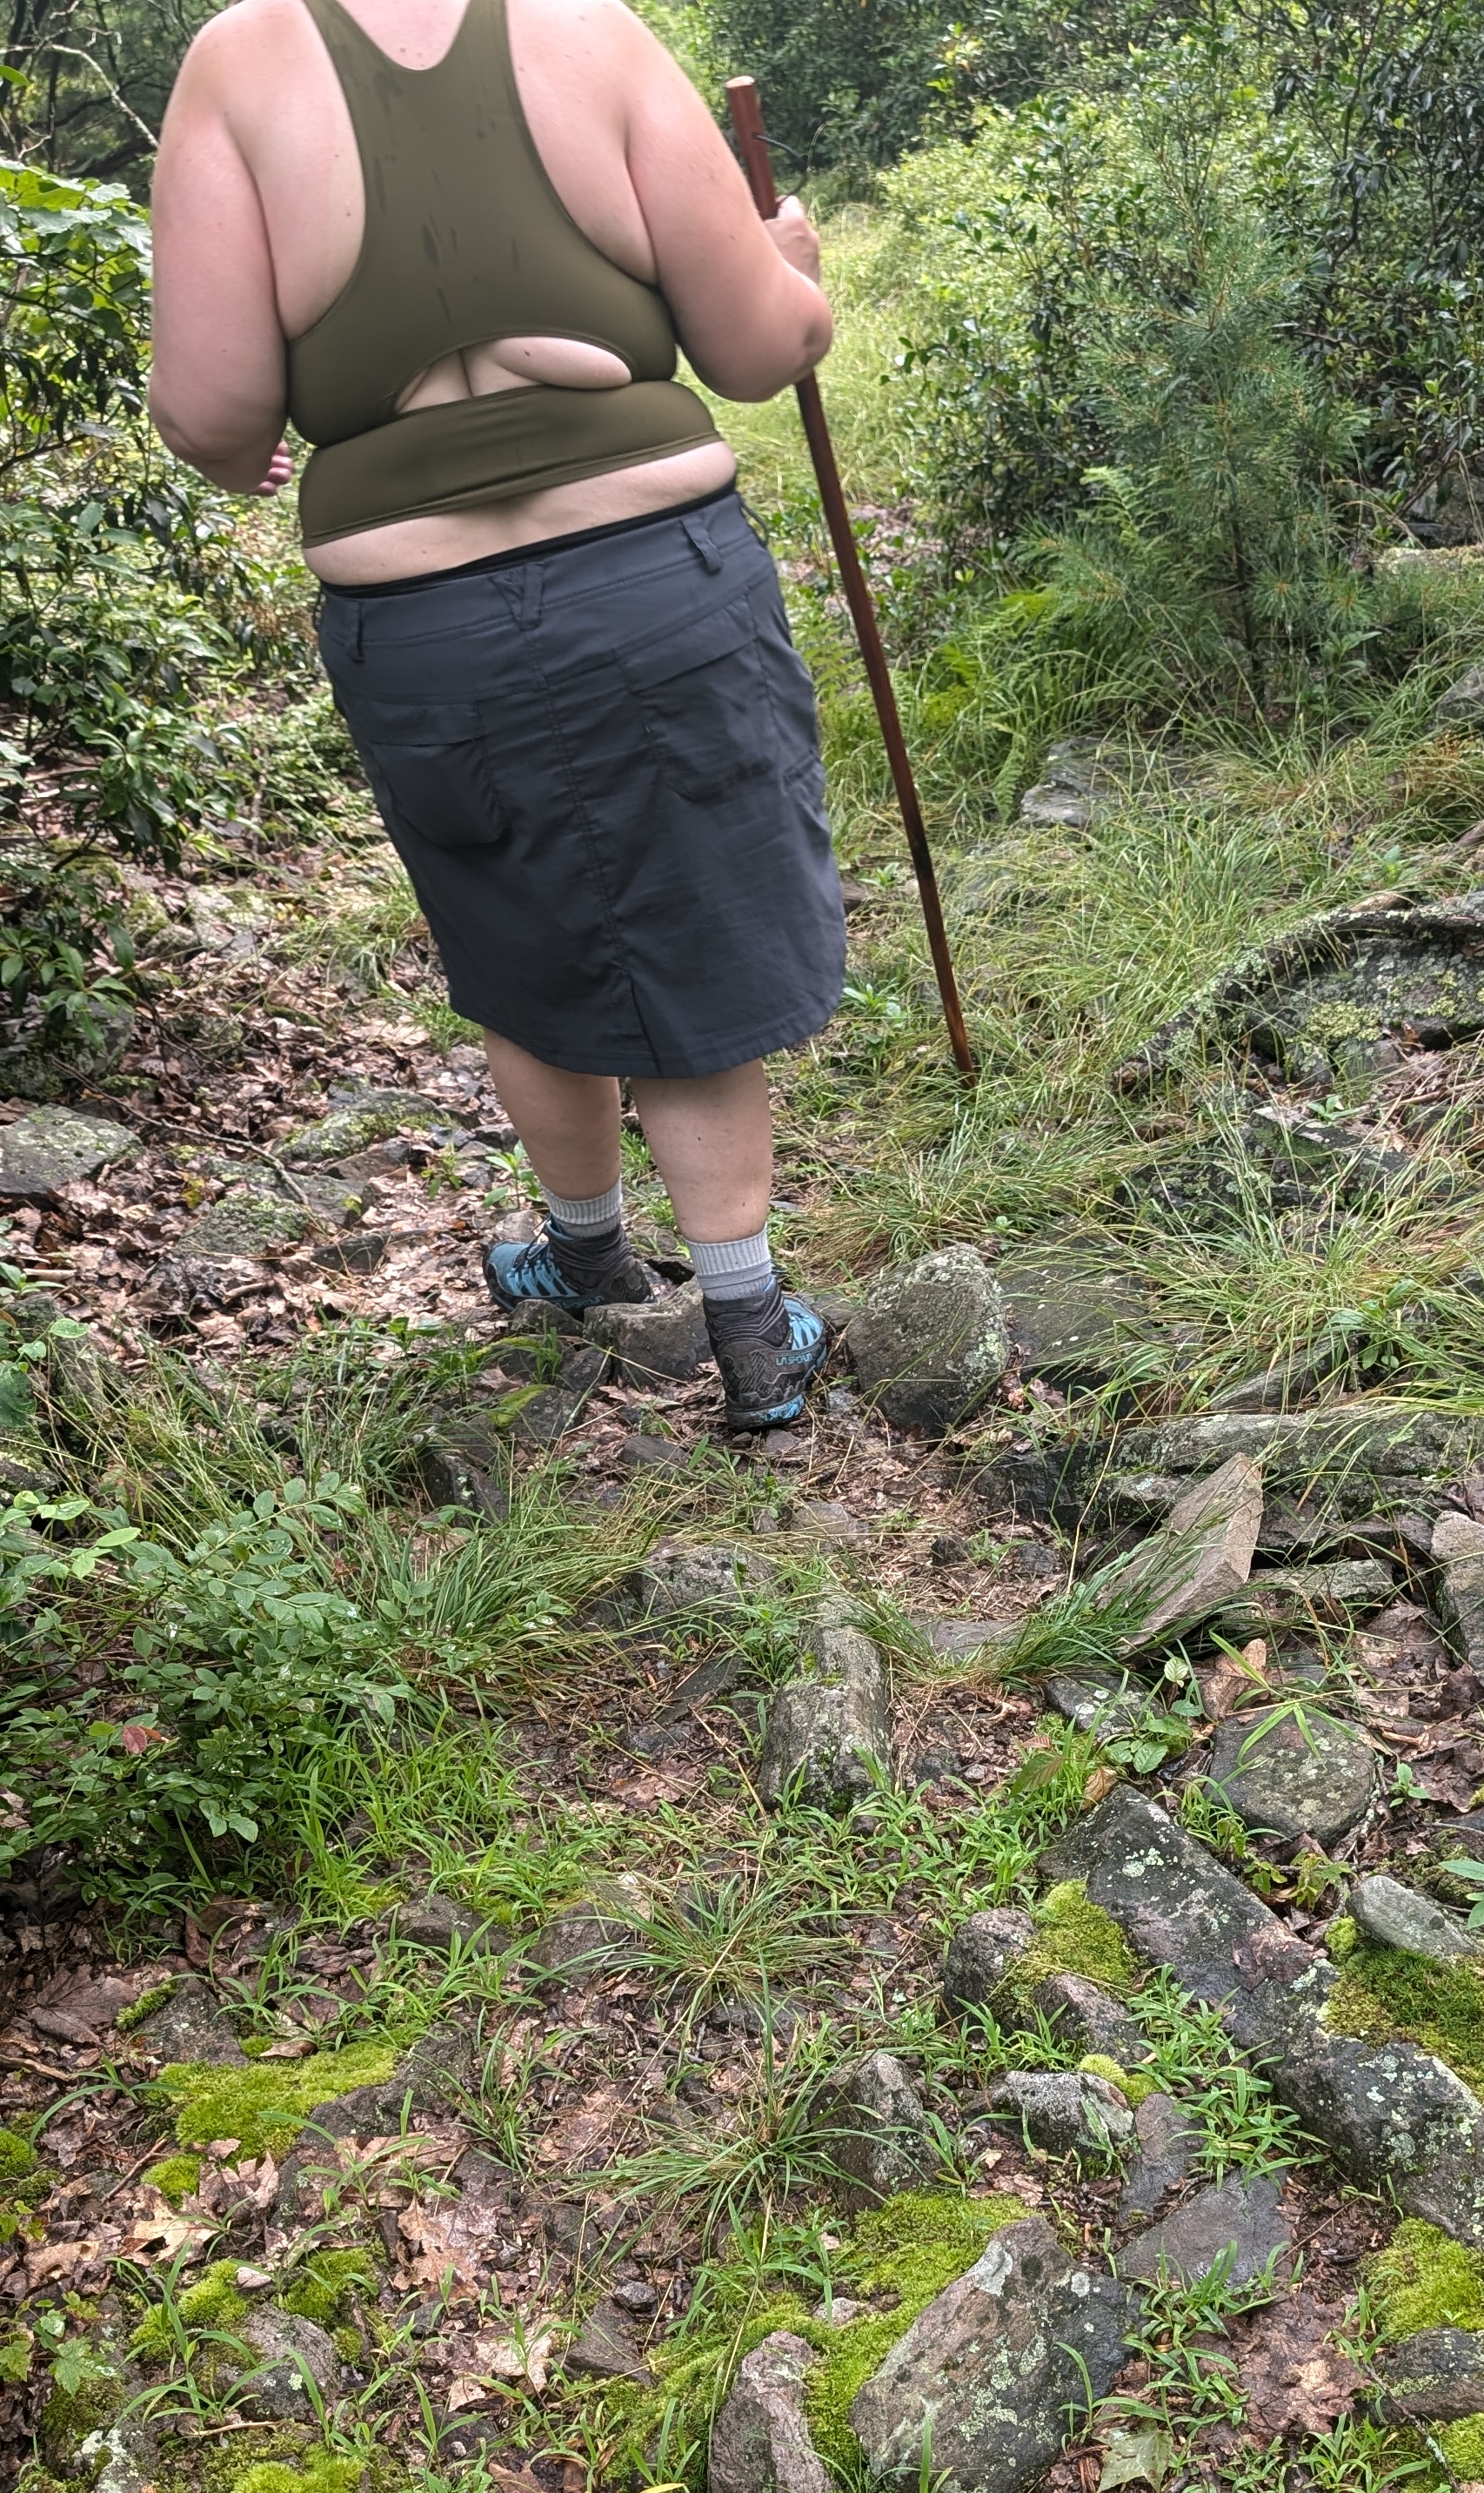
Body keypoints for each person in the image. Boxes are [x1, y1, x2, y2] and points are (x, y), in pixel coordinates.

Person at [147, 0, 845, 1429]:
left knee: (515, 922)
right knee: (695, 913)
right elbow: (761, 350)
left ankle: (586, 1259)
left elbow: (215, 419)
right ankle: (752, 1328)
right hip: (656, 586)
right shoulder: (591, 35)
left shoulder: (239, 65)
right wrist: (794, 273)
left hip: (426, 629)